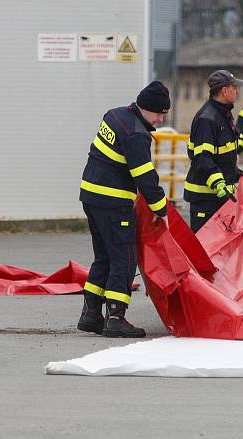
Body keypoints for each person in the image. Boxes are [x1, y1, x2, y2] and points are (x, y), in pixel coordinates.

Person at [77, 81, 170, 338]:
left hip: (91, 196)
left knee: (104, 256)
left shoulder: (114, 115)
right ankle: (116, 318)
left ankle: (91, 314)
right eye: (160, 113)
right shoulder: (137, 134)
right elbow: (145, 178)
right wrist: (161, 209)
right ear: (147, 108)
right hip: (113, 202)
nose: (161, 119)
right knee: (124, 258)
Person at [185, 70, 243, 232]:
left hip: (220, 197)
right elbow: (203, 159)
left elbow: (223, 154)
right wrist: (219, 184)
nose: (237, 91)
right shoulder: (207, 119)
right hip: (205, 198)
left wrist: (236, 173)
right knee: (204, 250)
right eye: (234, 87)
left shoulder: (224, 114)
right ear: (224, 91)